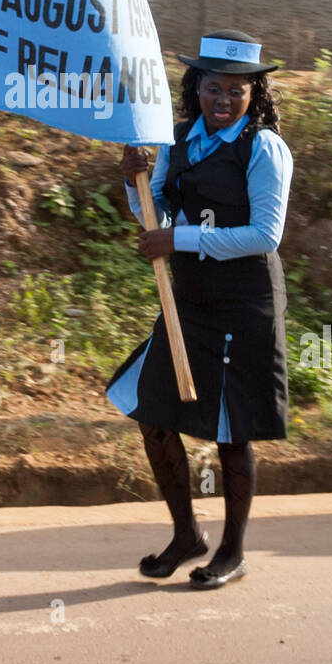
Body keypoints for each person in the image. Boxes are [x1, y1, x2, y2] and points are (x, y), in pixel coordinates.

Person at [107, 30, 292, 589]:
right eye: (215, 88)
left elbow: (265, 234)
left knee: (232, 431)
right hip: (186, 300)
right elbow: (152, 211)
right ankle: (186, 533)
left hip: (244, 302)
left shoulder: (264, 148)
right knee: (154, 417)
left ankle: (231, 552)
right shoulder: (177, 138)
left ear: (253, 94)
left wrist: (178, 241)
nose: (224, 100)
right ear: (196, 88)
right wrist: (132, 176)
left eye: (238, 91)